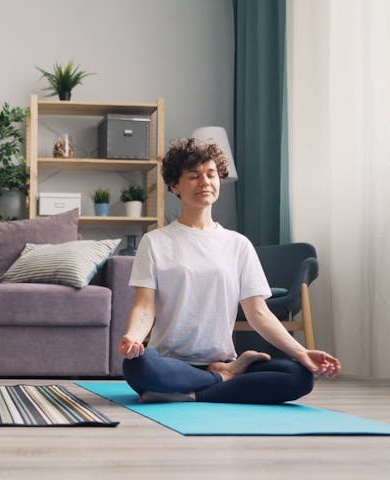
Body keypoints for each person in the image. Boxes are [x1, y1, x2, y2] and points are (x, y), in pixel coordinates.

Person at [119, 138, 341, 404]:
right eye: (193, 176)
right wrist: (133, 337)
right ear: (175, 186)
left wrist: (301, 352)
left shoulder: (238, 244)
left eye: (211, 175)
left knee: (298, 376)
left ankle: (196, 389)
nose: (205, 182)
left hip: (220, 359)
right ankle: (223, 379)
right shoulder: (155, 241)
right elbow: (145, 306)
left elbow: (258, 313)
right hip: (169, 362)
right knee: (137, 367)